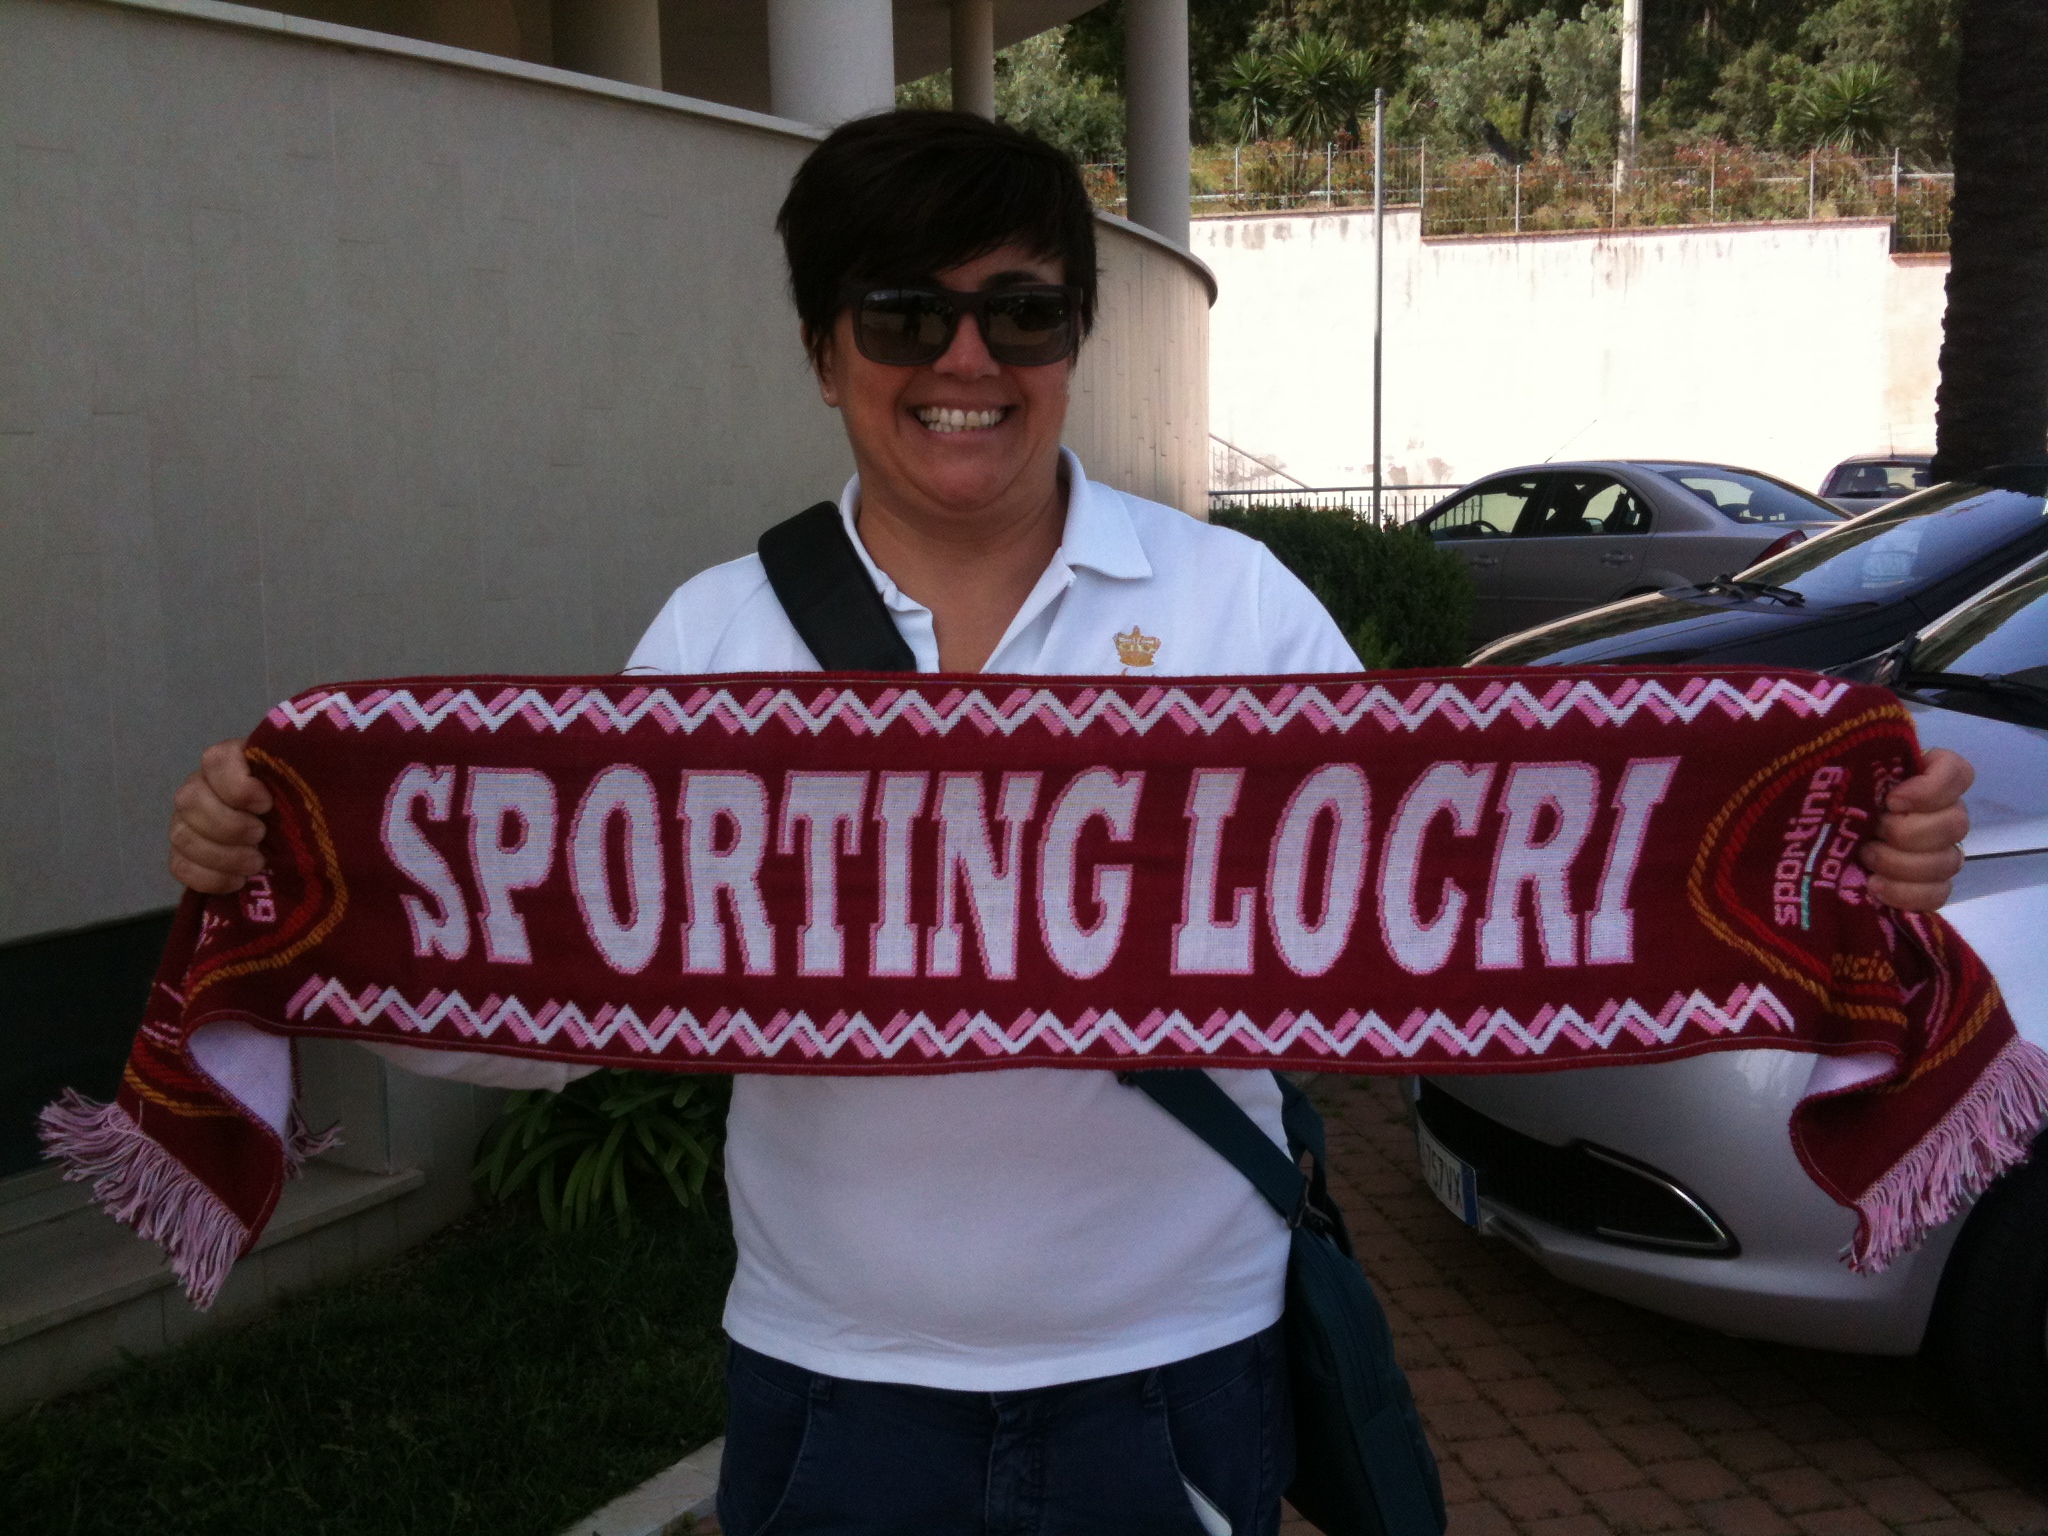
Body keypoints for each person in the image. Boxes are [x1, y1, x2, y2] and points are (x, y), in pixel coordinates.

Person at [164, 112, 1975, 1536]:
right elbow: (549, 1007)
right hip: (836, 1383)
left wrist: (1833, 875)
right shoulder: (717, 640)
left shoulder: (1237, 608)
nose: (967, 357)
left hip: (1174, 1373)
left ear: (1074, 340)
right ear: (822, 352)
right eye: (905, 313)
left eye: (1021, 311)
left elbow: (1457, 899)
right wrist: (307, 892)